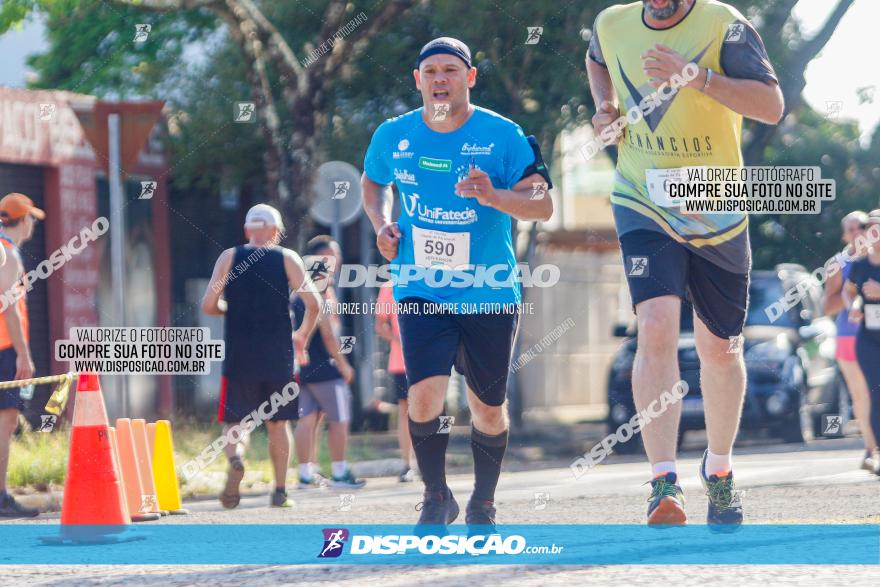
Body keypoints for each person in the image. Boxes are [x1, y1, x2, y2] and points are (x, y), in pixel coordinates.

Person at [587, 0, 784, 526]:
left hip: (715, 201)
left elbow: (770, 106)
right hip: (641, 198)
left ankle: (718, 473)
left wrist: (696, 77)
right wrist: (604, 108)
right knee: (654, 326)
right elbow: (598, 59)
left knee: (720, 349)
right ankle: (662, 483)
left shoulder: (725, 25)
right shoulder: (612, 22)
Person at [362, 37, 553, 532]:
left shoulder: (503, 135)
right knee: (423, 395)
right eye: (431, 71)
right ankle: (434, 496)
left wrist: (494, 196)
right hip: (419, 288)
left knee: (488, 407)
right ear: (418, 80)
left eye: (451, 69)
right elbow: (372, 181)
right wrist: (381, 223)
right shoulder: (392, 134)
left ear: (469, 78)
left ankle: (483, 501)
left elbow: (542, 205)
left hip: (487, 290)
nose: (440, 78)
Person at [202, 203, 321, 508]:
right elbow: (314, 304)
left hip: (239, 355)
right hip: (278, 356)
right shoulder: (287, 259)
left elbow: (208, 304)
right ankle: (280, 491)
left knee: (235, 422)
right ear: (276, 232)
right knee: (278, 424)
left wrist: (229, 309)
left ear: (247, 230)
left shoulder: (230, 257)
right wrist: (302, 337)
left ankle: (237, 459)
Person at [291, 236, 365, 490]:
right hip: (324, 364)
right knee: (339, 418)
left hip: (301, 364)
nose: (335, 260)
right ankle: (340, 473)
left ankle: (305, 475)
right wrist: (343, 364)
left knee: (307, 419)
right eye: (329, 256)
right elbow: (327, 333)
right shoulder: (320, 287)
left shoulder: (298, 288)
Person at [824, 211, 876, 471]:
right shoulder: (839, 263)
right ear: (845, 235)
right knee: (862, 394)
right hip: (849, 336)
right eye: (853, 229)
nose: (859, 233)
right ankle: (870, 449)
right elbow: (828, 305)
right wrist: (853, 294)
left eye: (862, 227)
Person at [0, 194, 38, 518]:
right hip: (4, 348)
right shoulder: (9, 256)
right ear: (23, 220)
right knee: (6, 421)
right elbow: (9, 308)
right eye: (32, 219)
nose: (34, 225)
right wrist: (23, 355)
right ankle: (0, 496)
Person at [842, 211, 880, 476]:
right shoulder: (859, 264)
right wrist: (853, 307)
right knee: (876, 397)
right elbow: (849, 291)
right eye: (868, 229)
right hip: (868, 340)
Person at [375, 281, 416, 482]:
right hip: (401, 362)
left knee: (432, 409)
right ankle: (407, 464)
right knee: (405, 411)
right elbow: (380, 324)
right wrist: (398, 339)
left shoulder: (429, 281)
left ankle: (431, 464)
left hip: (430, 359)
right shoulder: (389, 288)